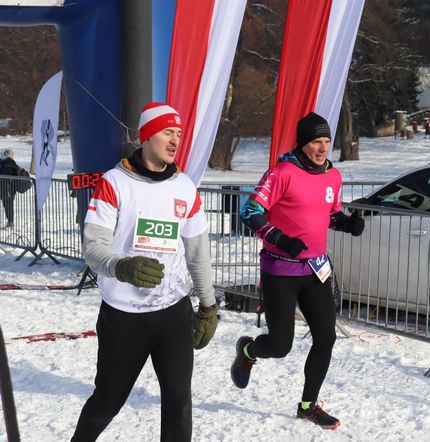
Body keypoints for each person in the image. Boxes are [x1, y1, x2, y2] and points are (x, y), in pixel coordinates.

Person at [72, 103, 219, 441]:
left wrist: (208, 306)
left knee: (179, 403)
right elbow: (93, 249)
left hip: (174, 315)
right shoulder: (115, 183)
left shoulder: (184, 187)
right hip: (125, 318)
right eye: (168, 132)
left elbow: (198, 252)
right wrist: (123, 266)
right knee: (107, 402)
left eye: (179, 134)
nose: (174, 141)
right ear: (147, 135)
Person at [231, 112, 365, 430]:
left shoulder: (332, 175)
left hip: (316, 270)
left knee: (326, 337)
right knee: (280, 346)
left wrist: (346, 223)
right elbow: (250, 211)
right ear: (303, 143)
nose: (322, 148)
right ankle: (248, 349)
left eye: (326, 141)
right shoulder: (282, 173)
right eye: (315, 141)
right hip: (280, 270)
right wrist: (278, 238)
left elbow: (328, 214)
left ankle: (308, 405)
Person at [0, 148, 21, 229]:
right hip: (9, 188)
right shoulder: (11, 163)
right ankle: (10, 222)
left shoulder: (2, 163)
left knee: (6, 205)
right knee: (8, 205)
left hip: (3, 187)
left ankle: (10, 222)